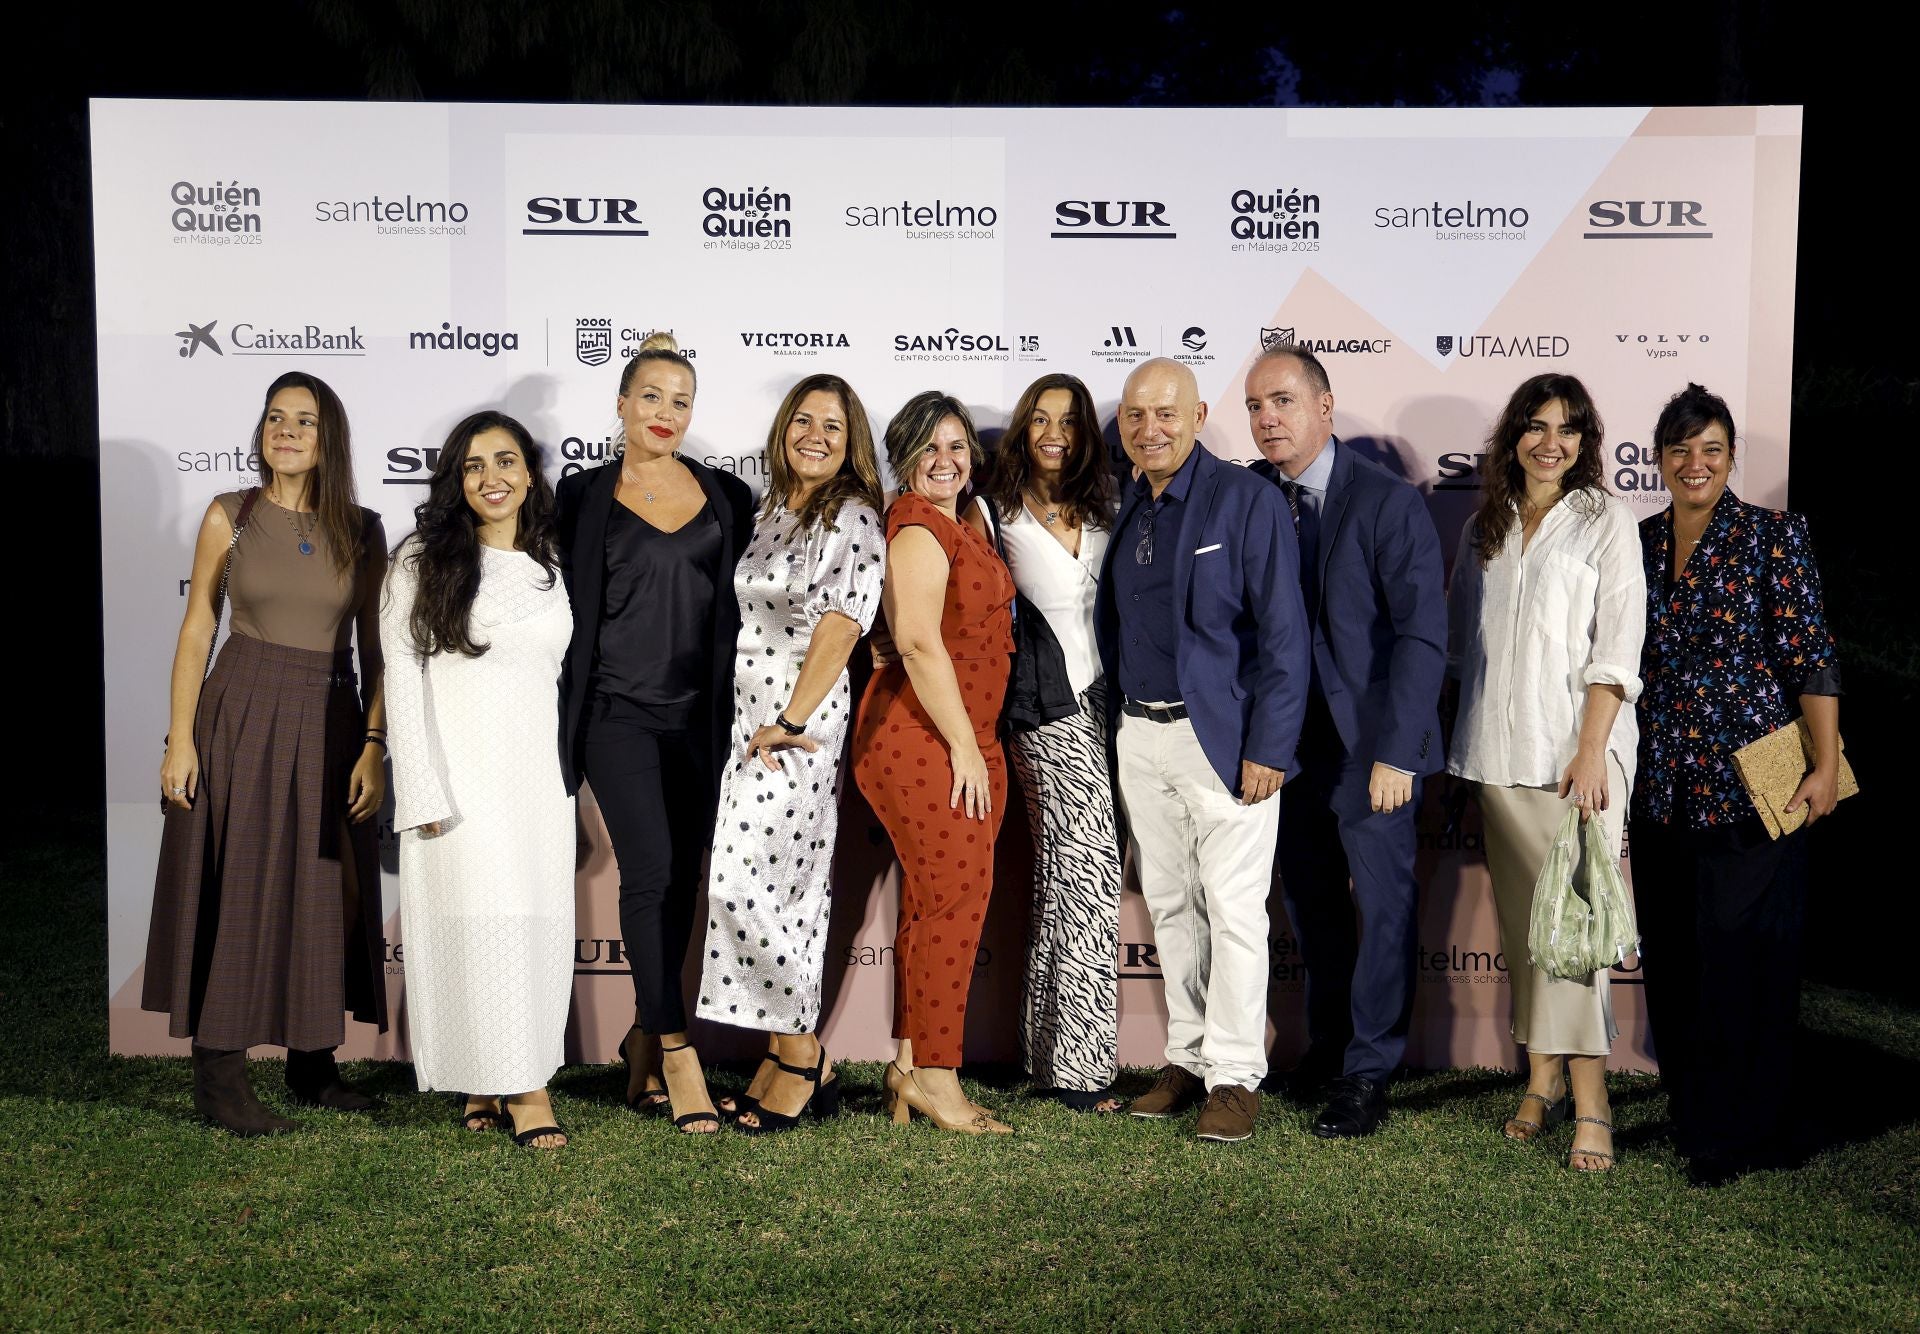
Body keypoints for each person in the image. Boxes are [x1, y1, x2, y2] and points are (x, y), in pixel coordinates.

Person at [144, 371, 388, 1135]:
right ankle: (219, 1076)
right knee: (239, 885)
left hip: (330, 713)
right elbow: (196, 632)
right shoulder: (229, 516)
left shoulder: (363, 527)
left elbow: (377, 652)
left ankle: (313, 1065)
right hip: (241, 707)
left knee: (323, 889)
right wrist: (179, 738)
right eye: (275, 418)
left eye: (305, 421)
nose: (286, 431)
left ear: (328, 439)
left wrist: (375, 745)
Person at [1630, 383, 1842, 1184]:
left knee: (1746, 962)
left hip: (1762, 780)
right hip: (1663, 786)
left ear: (1730, 459)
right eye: (1681, 450)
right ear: (1659, 459)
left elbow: (1812, 654)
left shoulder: (1773, 537)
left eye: (1711, 449)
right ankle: (1694, 1109)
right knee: (1679, 959)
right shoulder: (1640, 541)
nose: (1696, 463)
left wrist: (1825, 765)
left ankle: (1743, 1130)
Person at [1099, 358, 1310, 1145]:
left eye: (1165, 413)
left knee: (1234, 910)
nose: (1149, 428)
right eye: (1135, 415)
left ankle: (1233, 1077)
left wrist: (1270, 747)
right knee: (1172, 905)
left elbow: (1285, 637)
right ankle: (1185, 1057)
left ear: (1195, 418)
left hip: (1223, 740)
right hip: (1140, 734)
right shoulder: (1128, 502)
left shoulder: (1245, 499)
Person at [1245, 345, 1447, 1138]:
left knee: (1385, 910)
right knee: (1313, 906)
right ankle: (1329, 1049)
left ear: (1325, 408)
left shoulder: (1387, 502)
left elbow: (1421, 637)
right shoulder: (1249, 494)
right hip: (1288, 749)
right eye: (1257, 405)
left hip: (1373, 748)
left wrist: (1397, 753)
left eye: (1284, 402)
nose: (1268, 418)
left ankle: (1368, 1073)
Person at [555, 333, 754, 1135]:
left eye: (681, 401)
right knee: (650, 872)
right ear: (621, 405)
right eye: (651, 397)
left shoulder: (726, 497)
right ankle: (677, 1049)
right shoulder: (580, 497)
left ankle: (640, 1046)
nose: (666, 414)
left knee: (683, 881)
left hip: (702, 717)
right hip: (614, 712)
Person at [1445, 373, 1645, 1173]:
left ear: (1586, 441)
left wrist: (1592, 750)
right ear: (1513, 437)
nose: (1549, 441)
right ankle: (1541, 1081)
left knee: (1574, 939)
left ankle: (1593, 1105)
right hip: (1496, 761)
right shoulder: (1481, 528)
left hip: (1577, 762)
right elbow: (1462, 653)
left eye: (1567, 428)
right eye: (1535, 426)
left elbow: (1617, 647)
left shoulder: (1607, 521)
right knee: (1528, 936)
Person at [693, 374, 884, 1134]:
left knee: (750, 886)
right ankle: (791, 1053)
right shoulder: (772, 511)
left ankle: (802, 1056)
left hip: (795, 728)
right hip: (749, 722)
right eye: (802, 420)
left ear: (851, 444)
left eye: (832, 427)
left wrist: (791, 718)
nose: (814, 435)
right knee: (769, 889)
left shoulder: (853, 518)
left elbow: (842, 627)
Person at [382, 411, 574, 1150]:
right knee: (471, 929)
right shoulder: (419, 563)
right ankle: (516, 1089)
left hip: (536, 782)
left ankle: (507, 1075)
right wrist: (420, 788)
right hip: (457, 778)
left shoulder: (555, 562)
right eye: (473, 466)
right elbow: (400, 673)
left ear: (530, 473)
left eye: (505, 462)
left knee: (533, 929)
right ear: (456, 482)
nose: (491, 478)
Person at [853, 391, 1016, 1134]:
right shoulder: (916, 526)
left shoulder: (969, 517)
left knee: (935, 906)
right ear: (905, 459)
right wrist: (963, 748)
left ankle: (911, 1065)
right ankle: (938, 1083)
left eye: (956, 446)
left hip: (971, 738)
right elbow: (916, 641)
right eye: (928, 448)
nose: (945, 460)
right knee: (952, 908)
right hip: (927, 739)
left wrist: (977, 745)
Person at [969, 373, 1124, 1112]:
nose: (1054, 432)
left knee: (1068, 878)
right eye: (1039, 419)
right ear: (1023, 431)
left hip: (1109, 704)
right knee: (1090, 874)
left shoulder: (1109, 504)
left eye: (1068, 420)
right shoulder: (993, 512)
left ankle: (1049, 1055)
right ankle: (1081, 1072)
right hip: (1042, 709)